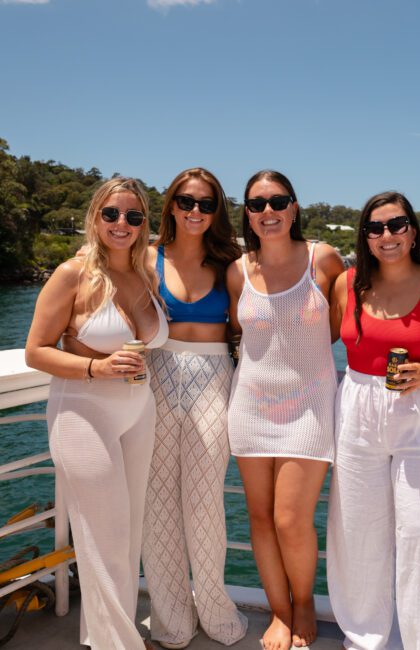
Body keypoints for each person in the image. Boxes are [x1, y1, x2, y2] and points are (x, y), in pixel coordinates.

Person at [25, 178, 168, 650]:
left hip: (138, 411)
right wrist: (95, 366)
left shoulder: (145, 273)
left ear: (145, 223)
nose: (121, 224)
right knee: (105, 538)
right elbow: (36, 351)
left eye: (133, 216)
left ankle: (106, 636)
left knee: (126, 537)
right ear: (95, 218)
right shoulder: (73, 273)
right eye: (111, 214)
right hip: (83, 413)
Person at [327, 191, 420, 650]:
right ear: (364, 236)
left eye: (397, 225)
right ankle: (364, 638)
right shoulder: (347, 285)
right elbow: (319, 338)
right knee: (357, 531)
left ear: (412, 231)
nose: (386, 235)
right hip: (357, 408)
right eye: (375, 227)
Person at [226, 170, 344, 650]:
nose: (268, 212)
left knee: (291, 519)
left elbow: (340, 328)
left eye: (278, 201)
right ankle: (278, 611)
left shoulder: (324, 259)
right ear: (248, 214)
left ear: (294, 208)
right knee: (259, 517)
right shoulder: (238, 270)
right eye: (257, 204)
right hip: (250, 405)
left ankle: (303, 602)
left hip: (311, 408)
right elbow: (239, 333)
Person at [141, 168, 248, 649]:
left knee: (205, 501)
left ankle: (213, 605)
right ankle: (171, 618)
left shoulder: (230, 261)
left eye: (206, 204)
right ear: (171, 205)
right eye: (187, 202)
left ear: (217, 211)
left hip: (214, 380)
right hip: (155, 378)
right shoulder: (146, 258)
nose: (196, 212)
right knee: (158, 502)